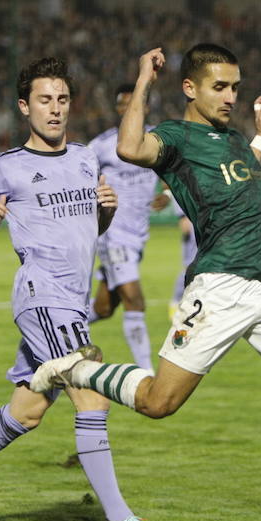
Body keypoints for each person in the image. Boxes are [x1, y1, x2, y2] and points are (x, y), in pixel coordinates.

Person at [32, 44, 261, 521]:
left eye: (236, 87)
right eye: (220, 87)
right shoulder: (175, 137)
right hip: (220, 286)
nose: (231, 96)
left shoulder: (233, 139)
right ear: (191, 88)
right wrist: (143, 81)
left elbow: (238, 173)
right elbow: (130, 148)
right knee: (158, 402)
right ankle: (75, 370)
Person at [0, 57, 172, 521]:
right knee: (93, 395)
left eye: (63, 99)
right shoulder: (7, 166)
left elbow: (90, 232)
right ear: (25, 107)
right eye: (45, 100)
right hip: (42, 298)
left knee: (25, 412)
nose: (55, 110)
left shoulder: (87, 158)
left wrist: (103, 214)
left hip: (74, 302)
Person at [87, 83, 171, 370]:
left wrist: (169, 193)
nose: (126, 110)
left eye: (132, 104)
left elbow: (176, 168)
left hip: (137, 236)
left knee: (104, 308)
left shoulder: (157, 139)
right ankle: (146, 374)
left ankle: (58, 328)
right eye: (121, 105)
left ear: (144, 107)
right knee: (135, 301)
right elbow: (78, 177)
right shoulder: (101, 145)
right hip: (112, 234)